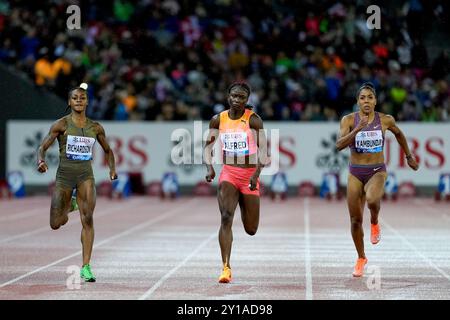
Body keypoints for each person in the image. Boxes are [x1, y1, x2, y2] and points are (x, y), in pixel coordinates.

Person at [336, 82, 419, 277]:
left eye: (370, 97)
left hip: (376, 171)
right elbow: (339, 145)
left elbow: (399, 134)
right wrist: (357, 129)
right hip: (355, 172)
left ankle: (374, 222)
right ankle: (361, 257)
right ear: (357, 101)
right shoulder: (348, 120)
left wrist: (408, 156)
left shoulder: (385, 120)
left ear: (375, 101)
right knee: (355, 220)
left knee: (373, 200)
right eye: (362, 97)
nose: (366, 101)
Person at [37, 83, 117, 282]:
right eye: (75, 98)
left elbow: (108, 150)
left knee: (88, 218)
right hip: (64, 176)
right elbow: (43, 146)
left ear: (87, 101)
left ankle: (86, 267)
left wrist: (112, 169)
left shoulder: (95, 127)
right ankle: (71, 204)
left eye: (82, 98)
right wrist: (40, 160)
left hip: (85, 176)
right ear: (69, 102)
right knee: (56, 223)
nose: (79, 101)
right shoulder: (61, 124)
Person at [204, 82, 268, 283]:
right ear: (228, 97)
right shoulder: (218, 120)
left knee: (251, 229)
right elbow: (207, 147)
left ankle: (243, 202)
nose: (237, 100)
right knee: (225, 217)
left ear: (247, 100)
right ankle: (226, 267)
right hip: (229, 174)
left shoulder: (254, 121)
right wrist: (210, 167)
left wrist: (256, 175)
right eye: (234, 96)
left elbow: (264, 152)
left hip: (249, 176)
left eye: (241, 97)